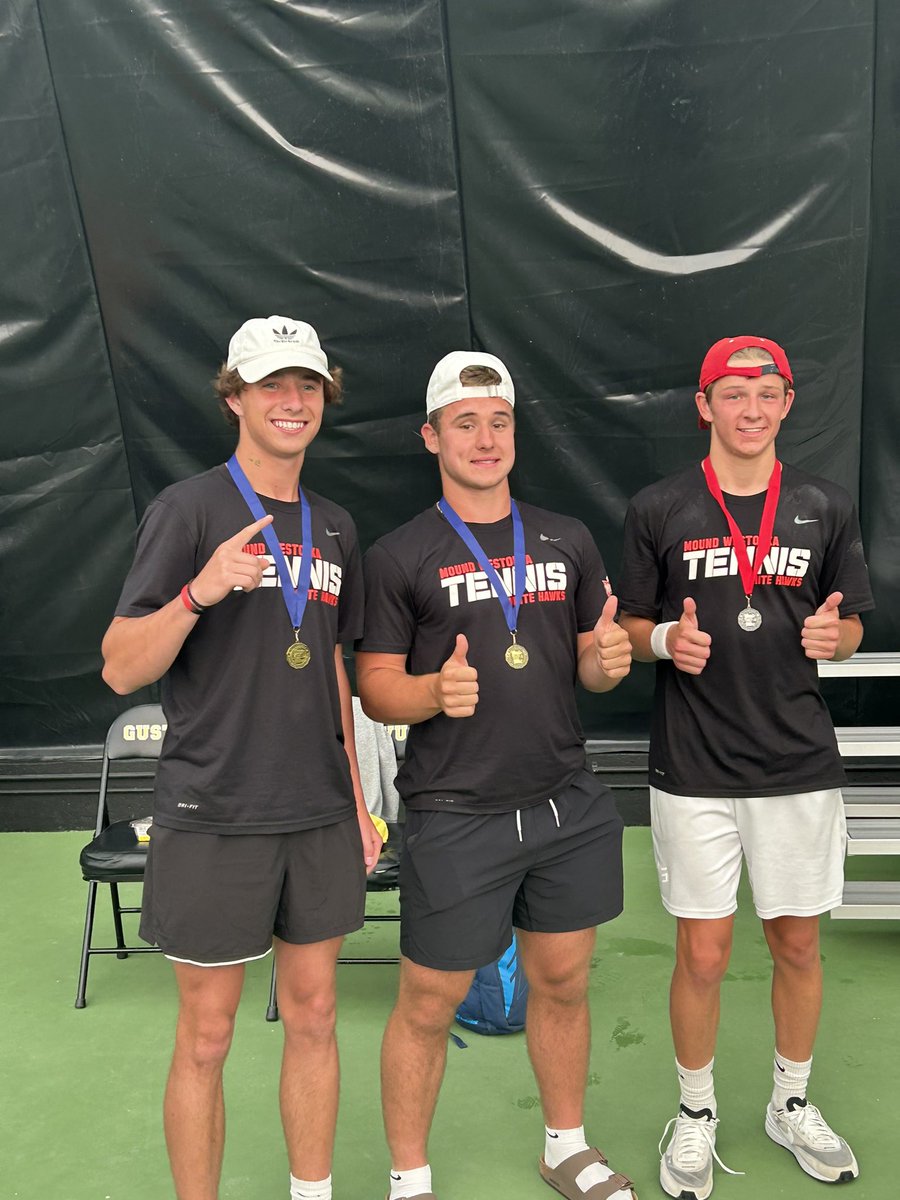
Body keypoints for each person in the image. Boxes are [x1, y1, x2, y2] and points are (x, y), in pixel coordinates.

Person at [101, 315, 383, 1200]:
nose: (292, 402)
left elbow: (334, 668)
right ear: (234, 398)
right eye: (271, 387)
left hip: (318, 814)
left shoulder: (336, 527)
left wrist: (359, 801)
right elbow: (119, 666)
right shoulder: (187, 510)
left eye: (306, 386)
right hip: (212, 813)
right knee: (208, 1036)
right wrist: (197, 591)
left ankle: (314, 1191)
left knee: (314, 1016)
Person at [356, 350, 637, 1200]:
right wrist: (432, 693)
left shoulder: (568, 538)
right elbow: (374, 687)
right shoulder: (401, 554)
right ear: (432, 435)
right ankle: (410, 1177)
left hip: (565, 800)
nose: (486, 438)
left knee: (561, 981)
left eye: (500, 420)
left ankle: (565, 1146)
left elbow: (588, 664)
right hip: (455, 812)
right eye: (466, 422)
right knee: (429, 1003)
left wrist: (611, 660)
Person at [617, 336, 874, 1199]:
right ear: (704, 405)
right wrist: (662, 641)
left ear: (788, 404)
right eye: (733, 395)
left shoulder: (824, 505)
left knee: (797, 942)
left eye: (766, 395)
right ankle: (696, 1115)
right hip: (692, 767)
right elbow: (624, 629)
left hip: (797, 763)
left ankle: (789, 1103)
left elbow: (854, 625)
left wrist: (835, 638)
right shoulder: (660, 507)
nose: (750, 410)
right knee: (702, 951)